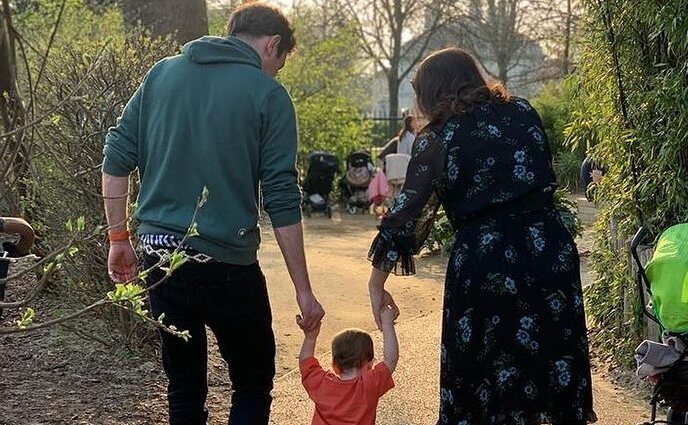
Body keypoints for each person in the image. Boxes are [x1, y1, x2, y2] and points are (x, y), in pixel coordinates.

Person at [101, 3, 325, 424]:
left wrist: (118, 239)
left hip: (159, 257)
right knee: (252, 382)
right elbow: (280, 194)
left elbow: (115, 158)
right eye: (279, 63)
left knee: (183, 388)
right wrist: (303, 289)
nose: (275, 73)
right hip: (226, 264)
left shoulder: (161, 74)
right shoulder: (268, 95)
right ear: (272, 44)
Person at [366, 47, 596, 424]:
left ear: (432, 92)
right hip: (548, 251)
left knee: (484, 381)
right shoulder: (523, 112)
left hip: (485, 263)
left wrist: (376, 285)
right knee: (548, 369)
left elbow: (407, 215)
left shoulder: (438, 138)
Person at [298, 304, 399, 425]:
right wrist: (387, 324)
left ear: (334, 366)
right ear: (370, 365)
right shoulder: (368, 386)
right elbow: (391, 359)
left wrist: (310, 337)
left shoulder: (321, 384)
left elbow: (305, 362)